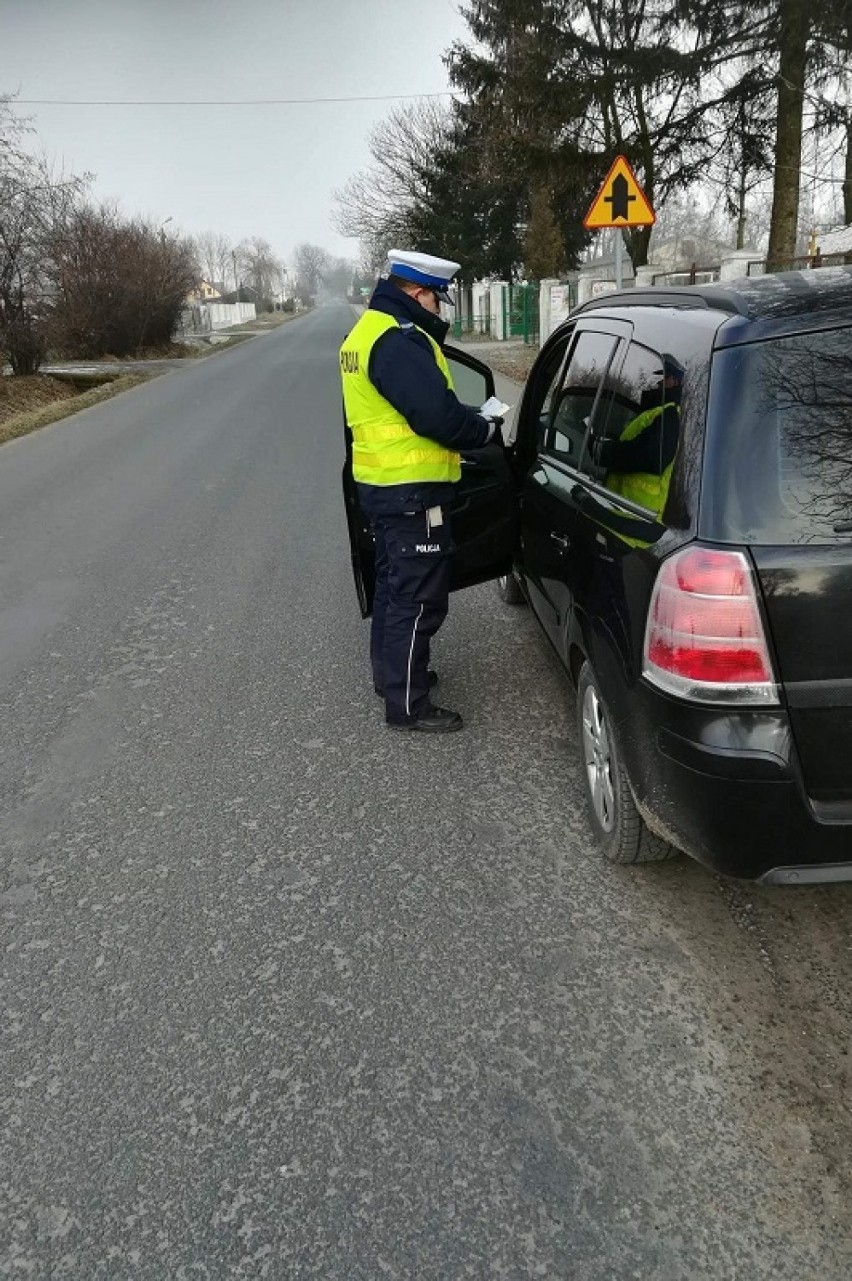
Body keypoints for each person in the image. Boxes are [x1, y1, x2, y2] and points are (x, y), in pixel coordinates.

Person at [339, 249, 502, 734]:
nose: (439, 311)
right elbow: (435, 418)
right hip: (412, 492)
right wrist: (484, 430)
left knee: (393, 589)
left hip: (384, 486)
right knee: (418, 599)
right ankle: (408, 704)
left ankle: (392, 678)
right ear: (418, 293)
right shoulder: (397, 340)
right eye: (437, 300)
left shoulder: (366, 333)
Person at [591, 354, 683, 518]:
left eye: (665, 377)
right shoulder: (656, 412)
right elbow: (638, 444)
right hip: (624, 509)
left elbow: (651, 457)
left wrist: (605, 451)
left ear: (675, 382)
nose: (659, 382)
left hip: (638, 517)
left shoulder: (669, 415)